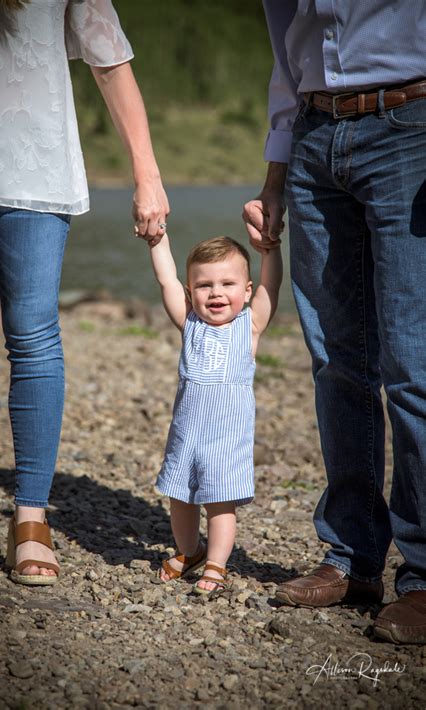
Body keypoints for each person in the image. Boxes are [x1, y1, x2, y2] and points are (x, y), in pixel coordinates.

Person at [0, 0, 169, 584]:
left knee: (33, 334)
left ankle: (29, 516)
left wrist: (146, 174)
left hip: (36, 158)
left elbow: (109, 56)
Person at [243, 1, 426, 643]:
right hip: (316, 141)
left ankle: (424, 575)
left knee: (413, 368)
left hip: (413, 126)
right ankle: (352, 556)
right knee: (336, 363)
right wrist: (275, 173)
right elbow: (285, 51)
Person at [146, 232, 282, 595]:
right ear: (190, 293)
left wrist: (270, 250)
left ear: (247, 290)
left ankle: (217, 564)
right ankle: (189, 551)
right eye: (204, 285)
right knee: (180, 495)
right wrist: (157, 241)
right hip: (186, 435)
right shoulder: (189, 323)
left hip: (227, 439)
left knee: (219, 503)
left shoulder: (249, 328)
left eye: (227, 283)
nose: (216, 292)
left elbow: (272, 285)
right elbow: (165, 279)